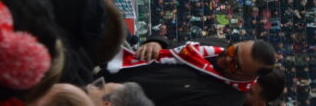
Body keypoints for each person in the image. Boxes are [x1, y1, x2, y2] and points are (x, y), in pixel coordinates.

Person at [113, 39, 277, 106]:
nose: (228, 59)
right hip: (119, 66)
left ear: (250, 77)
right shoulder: (217, 46)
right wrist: (157, 42)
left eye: (236, 65)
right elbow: (175, 46)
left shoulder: (224, 101)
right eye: (233, 50)